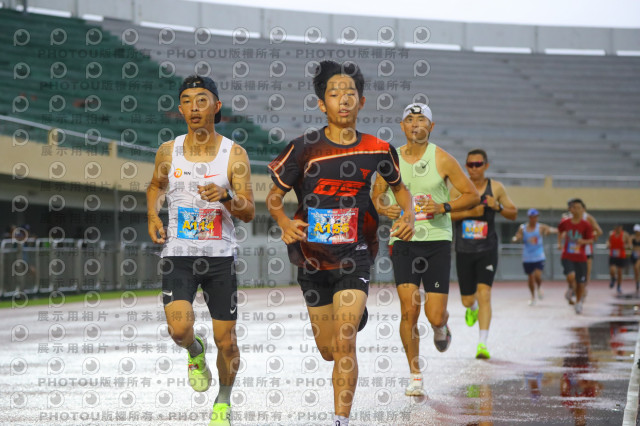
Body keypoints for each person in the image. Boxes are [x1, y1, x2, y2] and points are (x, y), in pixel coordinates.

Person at [267, 60, 415, 426]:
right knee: (329, 350)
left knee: (345, 338)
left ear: (361, 102)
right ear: (322, 104)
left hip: (354, 256)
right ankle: (353, 316)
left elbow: (401, 189)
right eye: (334, 94)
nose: (343, 100)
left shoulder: (378, 149)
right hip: (312, 261)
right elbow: (273, 198)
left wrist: (408, 214)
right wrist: (284, 222)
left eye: (350, 93)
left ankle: (340, 420)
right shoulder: (303, 148)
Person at [147, 75, 255, 426]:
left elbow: (249, 211)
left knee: (228, 342)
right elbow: (155, 185)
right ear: (180, 109)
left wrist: (227, 197)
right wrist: (153, 214)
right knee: (179, 330)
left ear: (216, 105)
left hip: (219, 258)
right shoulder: (169, 150)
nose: (194, 107)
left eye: (202, 100)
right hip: (178, 255)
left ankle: (223, 402)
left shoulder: (234, 154)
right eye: (187, 101)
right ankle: (195, 350)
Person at [371, 103, 479, 396]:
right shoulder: (390, 159)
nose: (415, 124)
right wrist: (385, 207)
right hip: (403, 240)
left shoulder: (442, 158)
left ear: (431, 126)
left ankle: (442, 327)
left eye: (421, 119)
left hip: (436, 242)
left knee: (434, 315)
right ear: (402, 126)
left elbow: (472, 196)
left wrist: (443, 206)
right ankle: (415, 374)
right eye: (410, 119)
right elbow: (377, 195)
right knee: (409, 310)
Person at [450, 149, 517, 359]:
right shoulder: (458, 188)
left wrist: (497, 206)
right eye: (470, 165)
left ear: (486, 166)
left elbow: (513, 213)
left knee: (485, 294)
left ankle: (482, 344)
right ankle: (472, 308)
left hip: (487, 249)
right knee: (467, 300)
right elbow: (447, 214)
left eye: (478, 164)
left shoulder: (496, 188)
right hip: (464, 250)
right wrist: (471, 212)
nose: (474, 168)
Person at [512, 208, 557, 305]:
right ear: (529, 217)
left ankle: (539, 287)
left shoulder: (541, 227)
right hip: (527, 257)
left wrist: (550, 232)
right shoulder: (523, 228)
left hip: (539, 255)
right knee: (530, 277)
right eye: (532, 217)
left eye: (535, 217)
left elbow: (551, 230)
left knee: (537, 276)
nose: (534, 219)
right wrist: (516, 239)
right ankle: (532, 297)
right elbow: (517, 236)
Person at [557, 199, 593, 315]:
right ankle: (571, 288)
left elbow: (591, 240)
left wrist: (583, 241)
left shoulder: (586, 224)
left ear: (583, 209)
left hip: (581, 258)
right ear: (570, 209)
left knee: (580, 283)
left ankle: (578, 302)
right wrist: (559, 243)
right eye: (574, 207)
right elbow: (559, 230)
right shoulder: (566, 222)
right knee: (571, 275)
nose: (576, 210)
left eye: (579, 208)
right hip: (567, 256)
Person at [607, 225, 631, 293]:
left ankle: (619, 286)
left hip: (621, 255)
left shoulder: (625, 234)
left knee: (620, 272)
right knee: (612, 269)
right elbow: (608, 241)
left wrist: (626, 246)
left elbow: (629, 244)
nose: (618, 229)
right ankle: (613, 278)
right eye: (617, 227)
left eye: (619, 227)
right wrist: (608, 244)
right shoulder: (611, 234)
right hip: (613, 254)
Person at [632, 224, 640, 291]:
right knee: (635, 269)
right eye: (636, 231)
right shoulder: (632, 237)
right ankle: (637, 282)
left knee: (637, 267)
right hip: (634, 254)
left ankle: (638, 281)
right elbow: (629, 244)